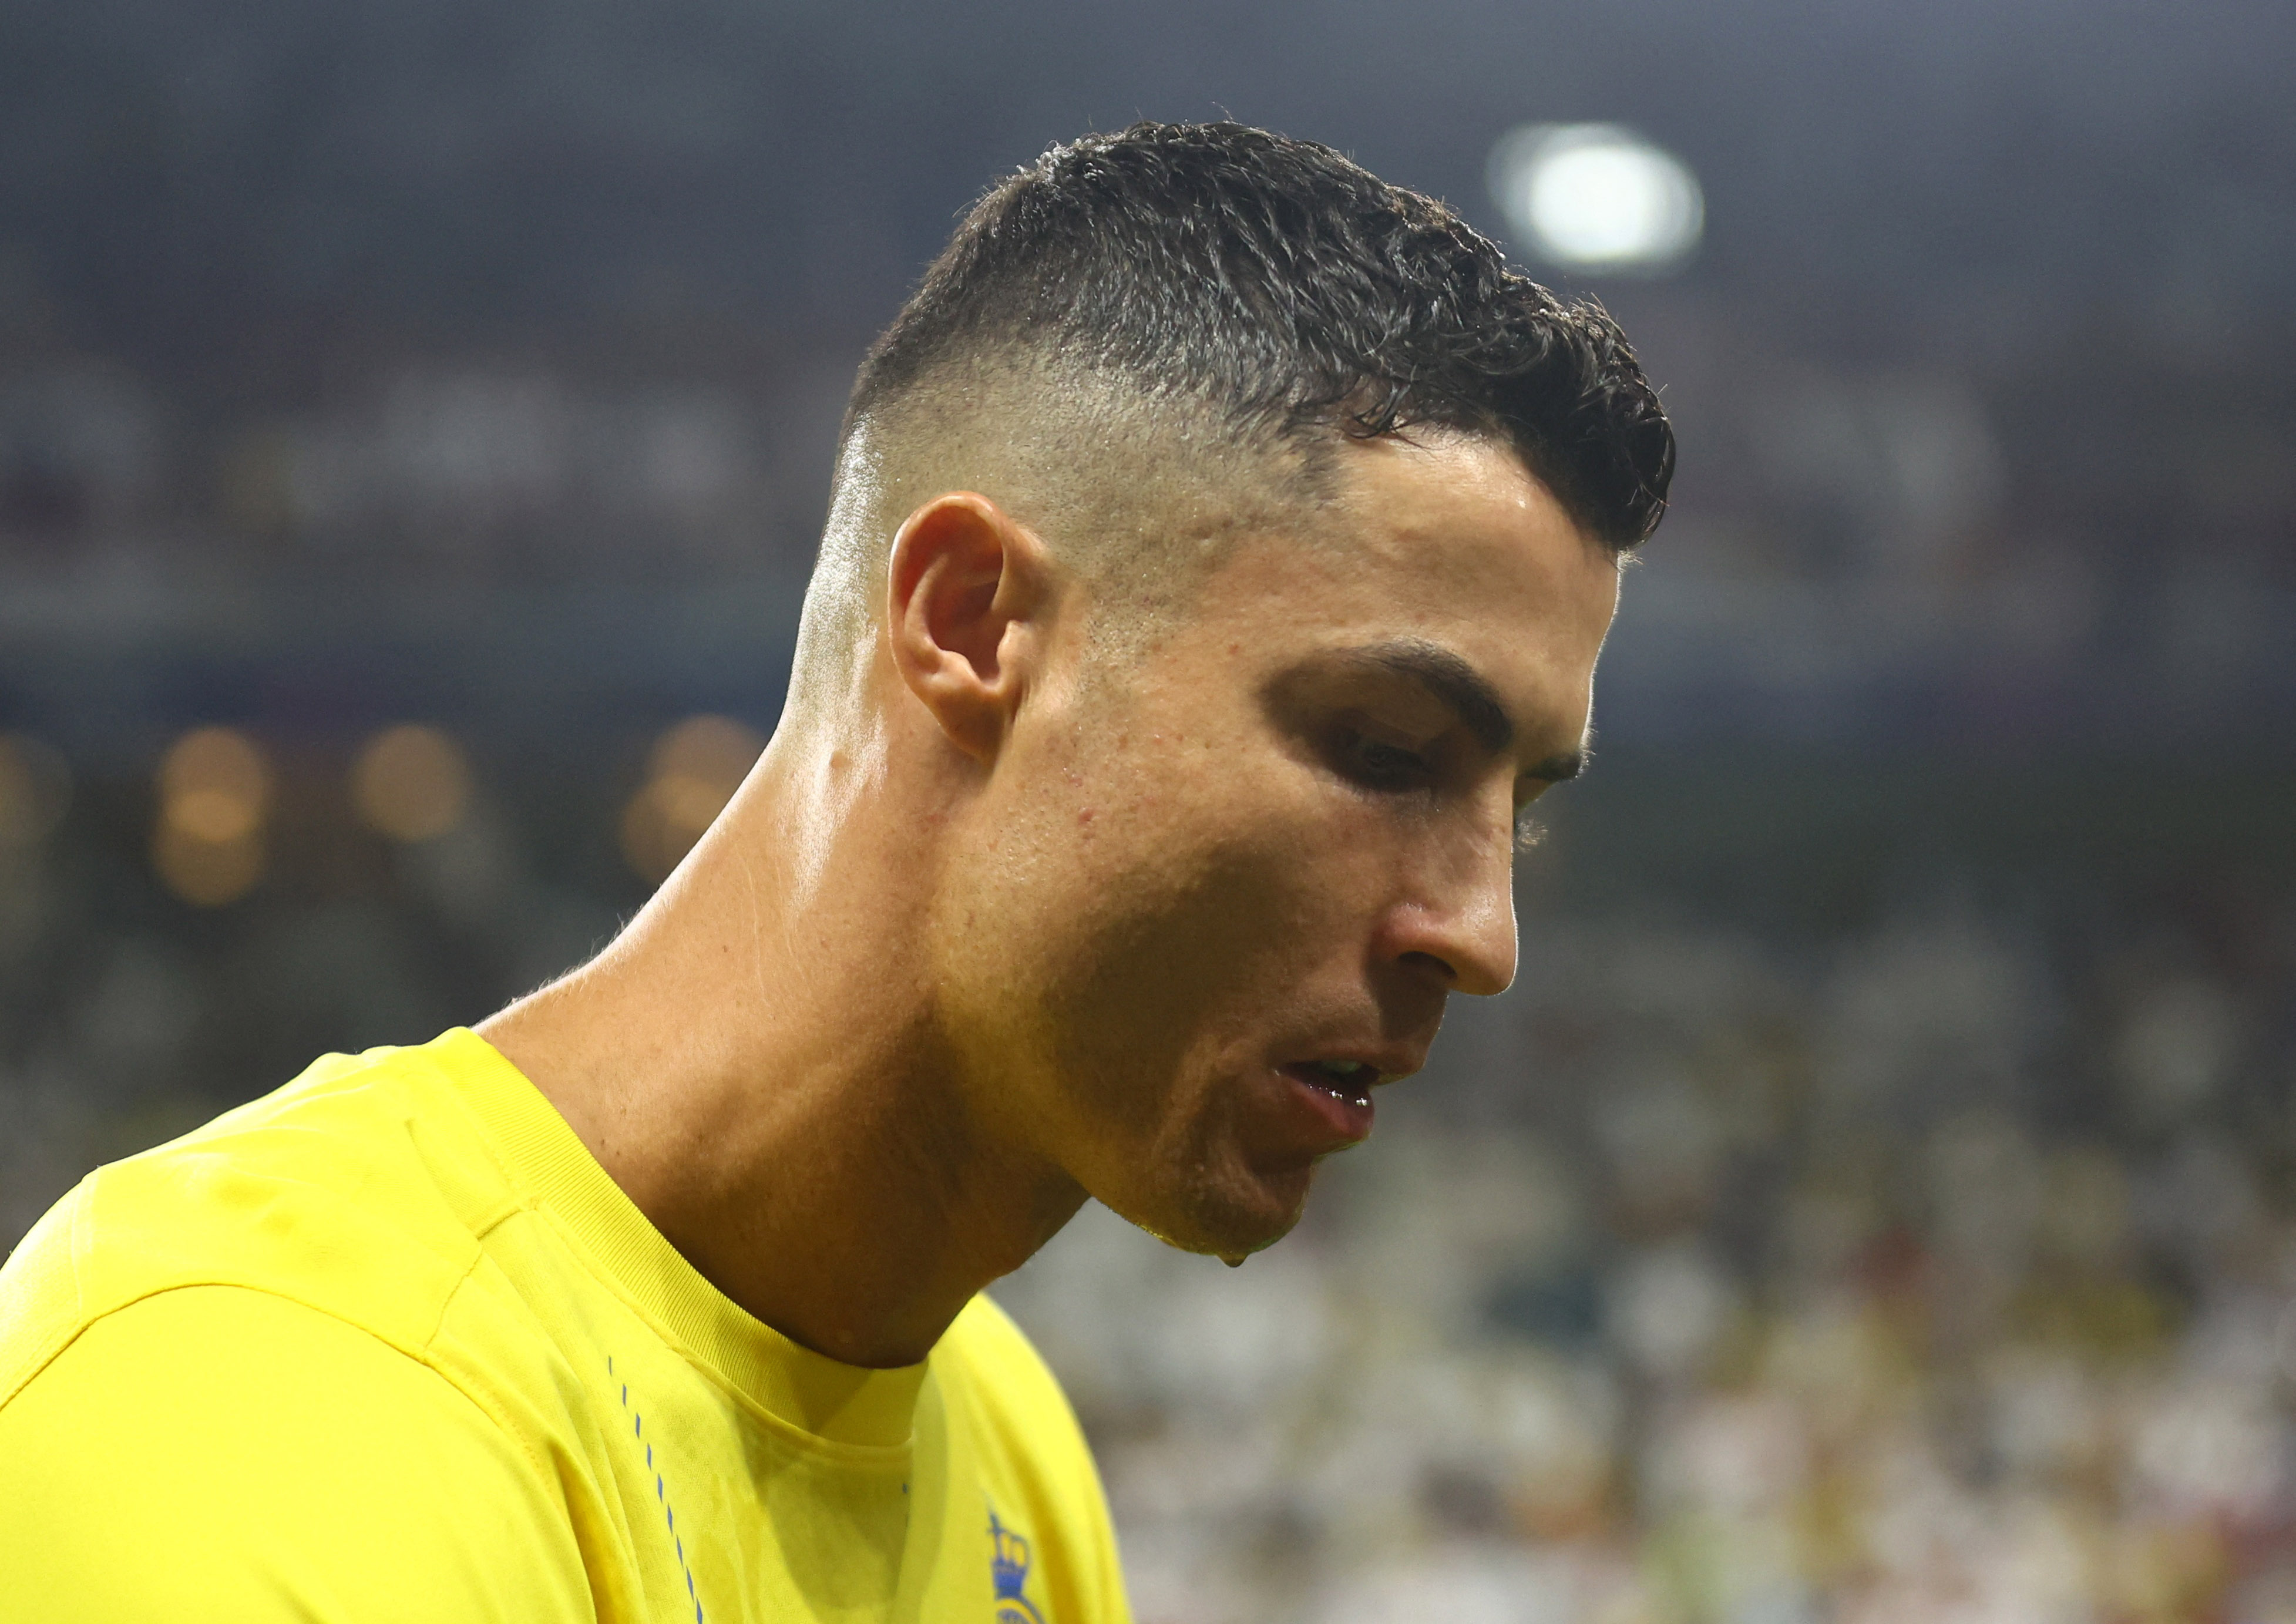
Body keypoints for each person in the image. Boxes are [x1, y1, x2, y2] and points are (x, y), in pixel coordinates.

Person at [0, 120, 1672, 1620]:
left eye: (1518, 811)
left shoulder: (1007, 1447)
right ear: (971, 625)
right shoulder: (261, 1396)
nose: (1482, 934)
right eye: (1383, 751)